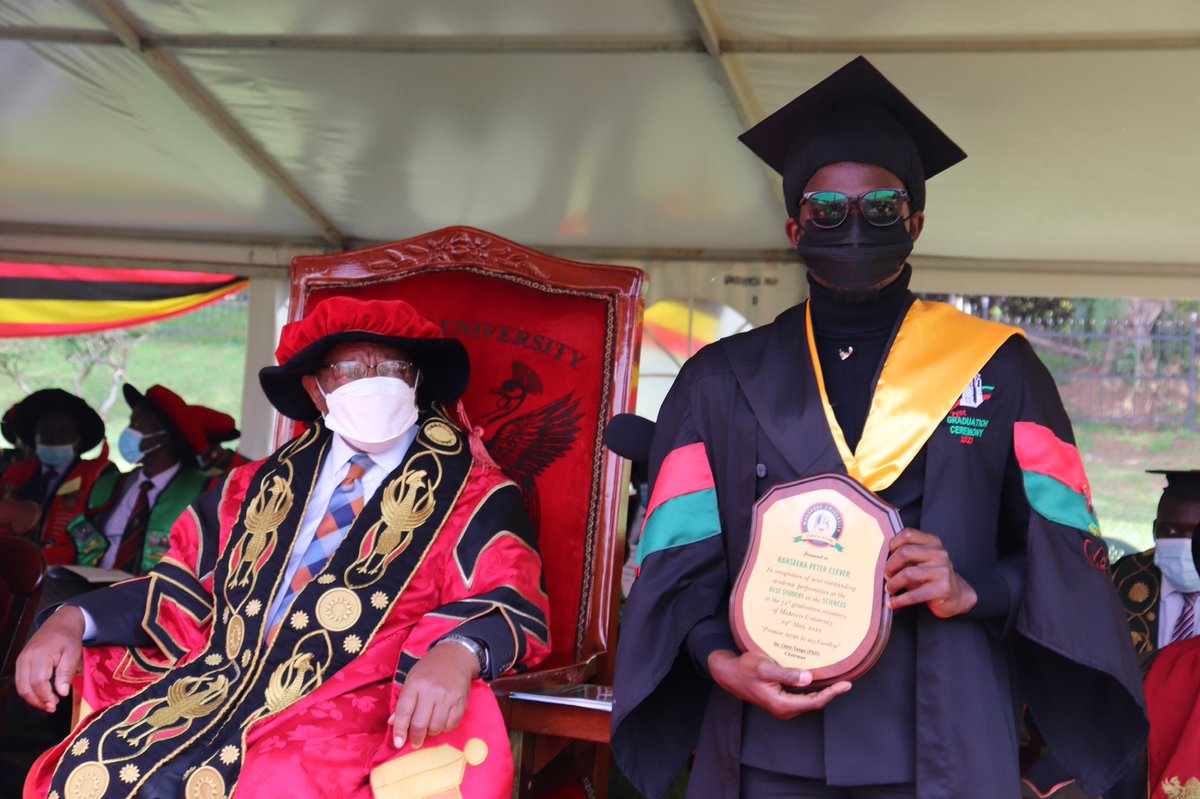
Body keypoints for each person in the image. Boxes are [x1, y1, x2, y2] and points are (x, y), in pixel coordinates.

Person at [611, 56, 1146, 799]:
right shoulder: (719, 382)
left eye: (882, 207)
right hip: (768, 742)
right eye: (828, 209)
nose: (854, 224)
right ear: (796, 225)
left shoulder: (999, 373)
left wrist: (972, 586)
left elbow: (1065, 556)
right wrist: (716, 659)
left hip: (944, 739)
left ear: (916, 222)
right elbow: (678, 563)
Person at [16, 296, 550, 798]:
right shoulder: (249, 487)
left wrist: (457, 653)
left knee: (270, 782)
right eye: (351, 371)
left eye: (392, 369)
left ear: (417, 384)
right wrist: (70, 620)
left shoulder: (474, 495)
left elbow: (511, 594)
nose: (375, 384)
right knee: (101, 767)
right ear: (318, 391)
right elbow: (177, 586)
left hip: (355, 706)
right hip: (215, 686)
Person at [65, 383, 210, 576]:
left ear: (164, 438)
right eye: (131, 423)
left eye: (139, 426)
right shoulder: (109, 485)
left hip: (158, 597)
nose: (129, 432)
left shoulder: (201, 491)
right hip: (91, 589)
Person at [0, 388, 115, 563]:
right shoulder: (14, 475)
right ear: (35, 439)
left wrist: (34, 559)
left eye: (63, 430)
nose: (54, 435)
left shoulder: (99, 478)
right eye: (46, 430)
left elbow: (94, 541)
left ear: (78, 438)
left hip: (66, 572)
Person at [1112, 470, 1200, 656]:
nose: (1186, 544)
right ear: (1154, 531)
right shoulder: (1116, 580)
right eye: (1170, 531)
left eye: (1197, 534)